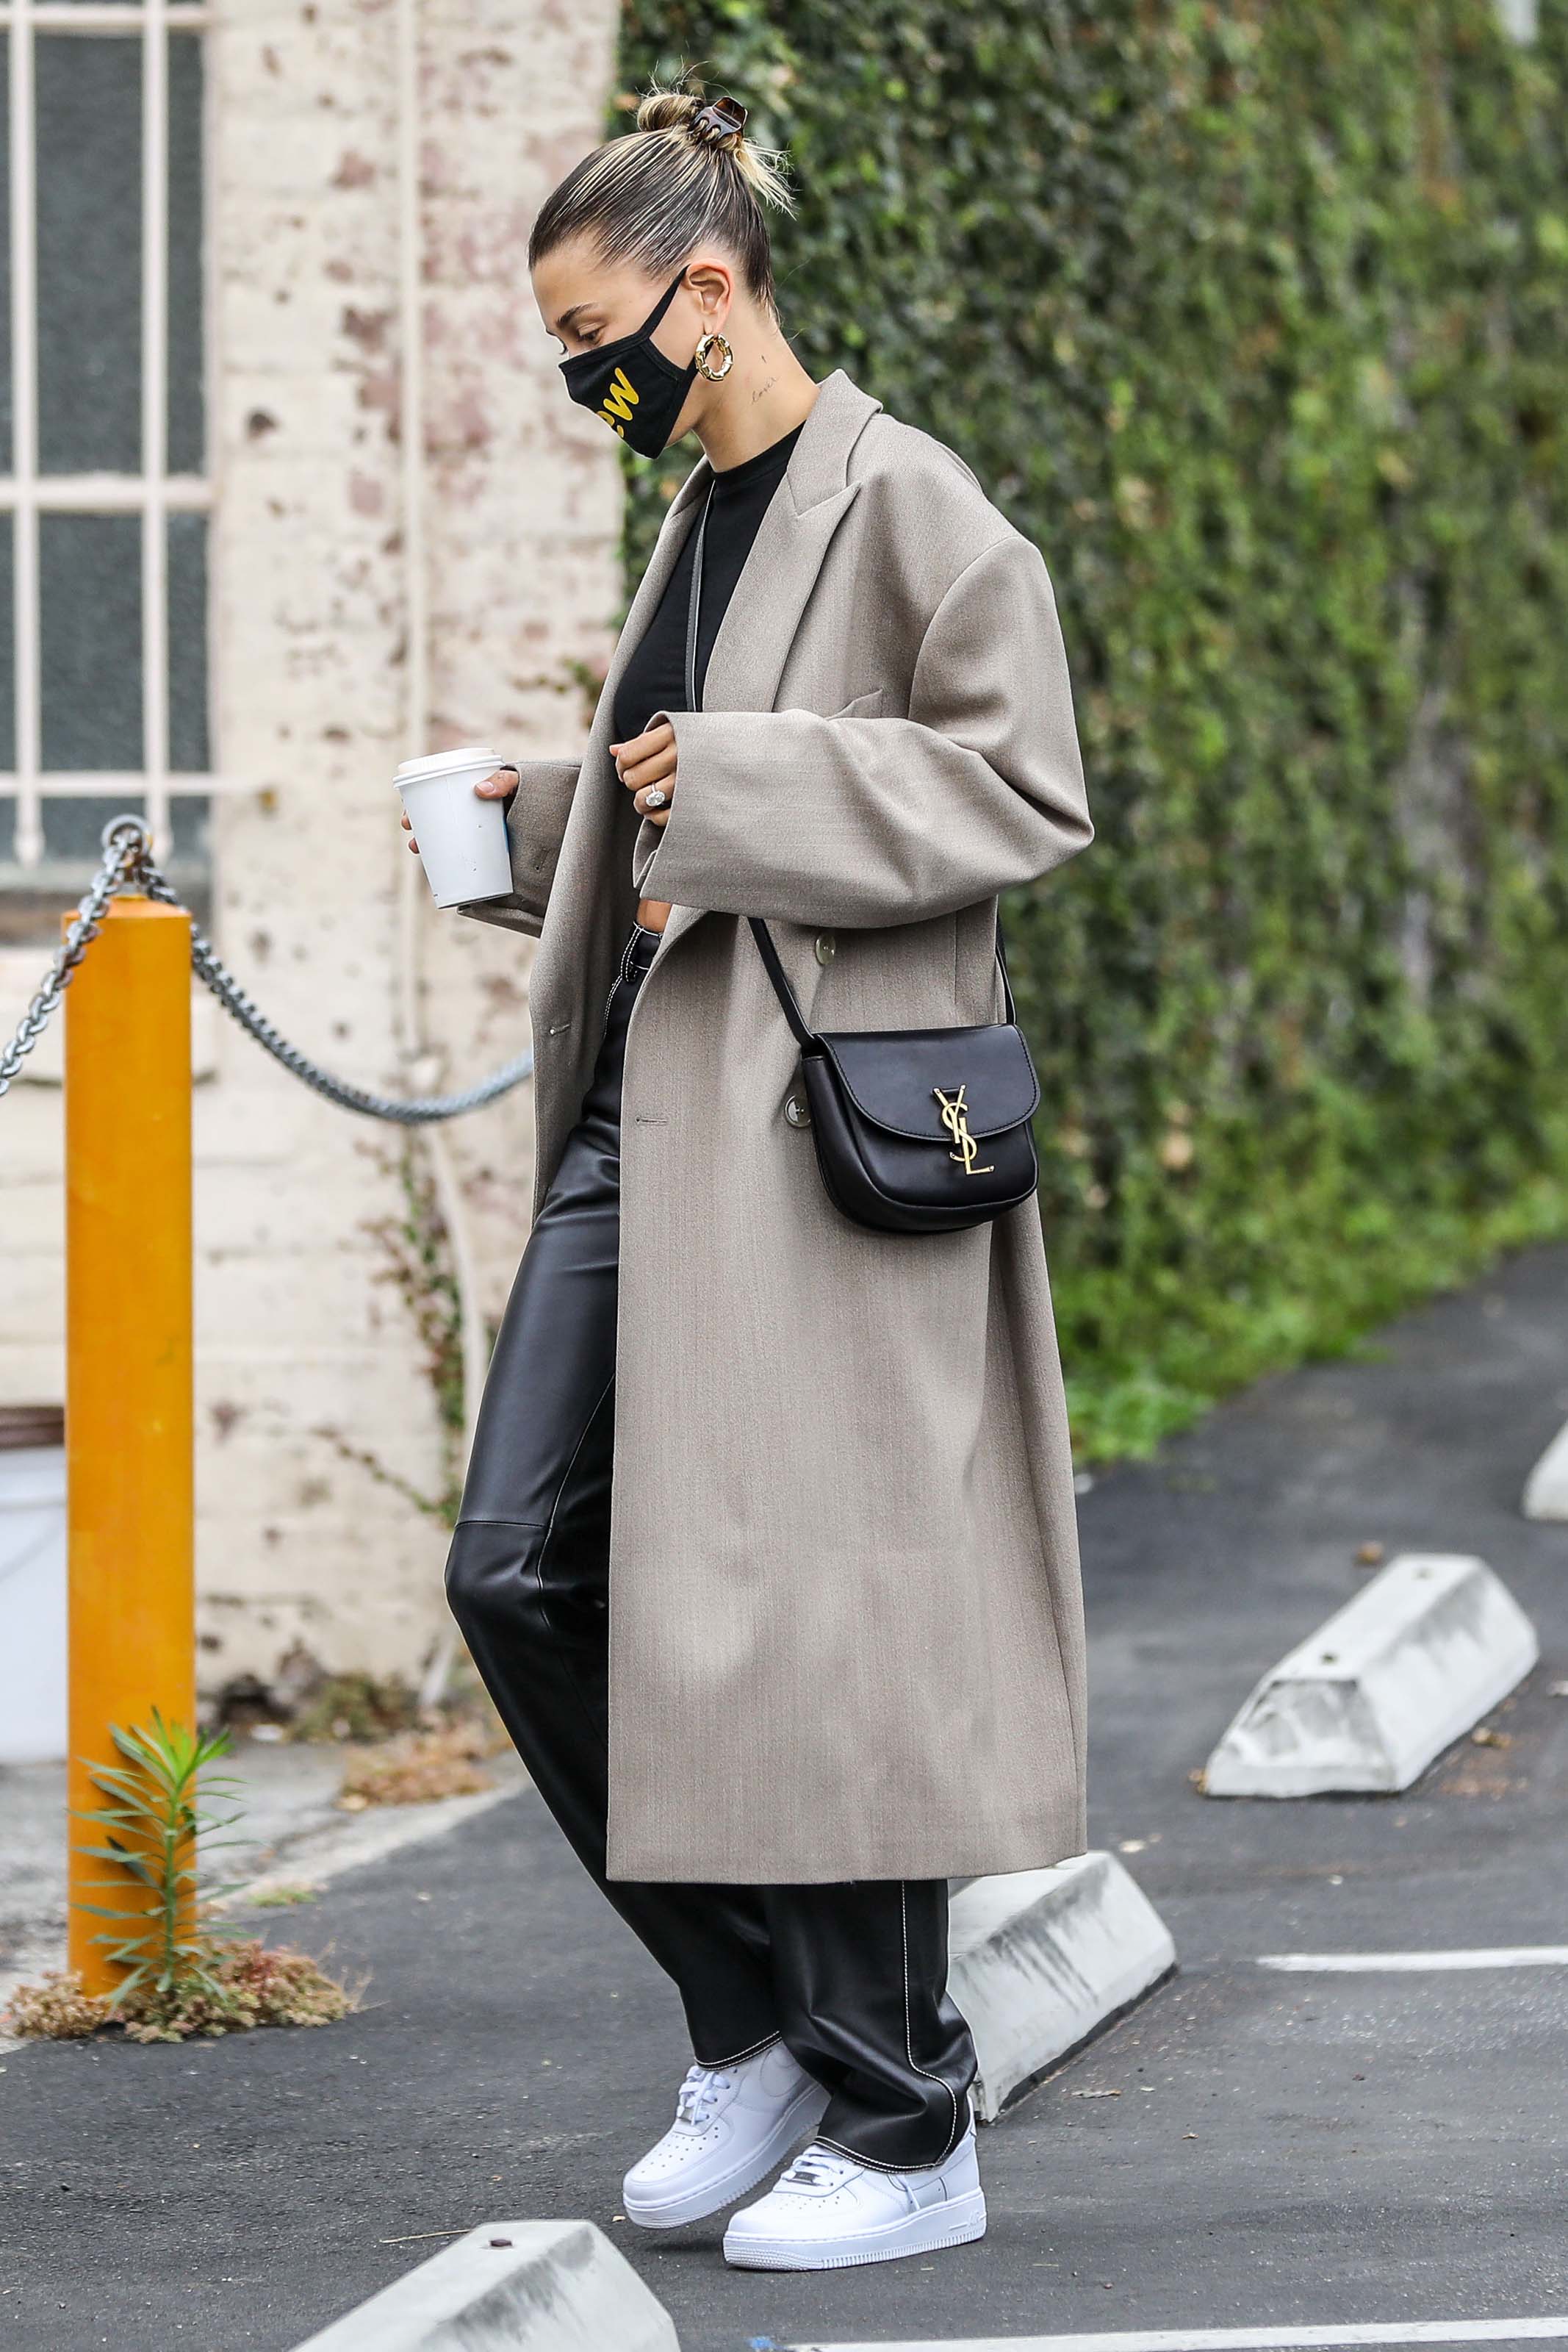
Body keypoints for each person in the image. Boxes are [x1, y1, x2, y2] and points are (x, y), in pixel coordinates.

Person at [403, 82, 1094, 2273]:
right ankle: (755, 2018)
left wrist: (751, 780)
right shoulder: (697, 520)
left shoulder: (915, 507)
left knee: (829, 1611)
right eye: (566, 351)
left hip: (813, 1148)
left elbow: (1022, 791)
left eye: (604, 336)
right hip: (647, 1121)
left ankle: (911, 2123)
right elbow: (678, 817)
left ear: (712, 289)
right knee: (520, 1566)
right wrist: (536, 823)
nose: (590, 381)